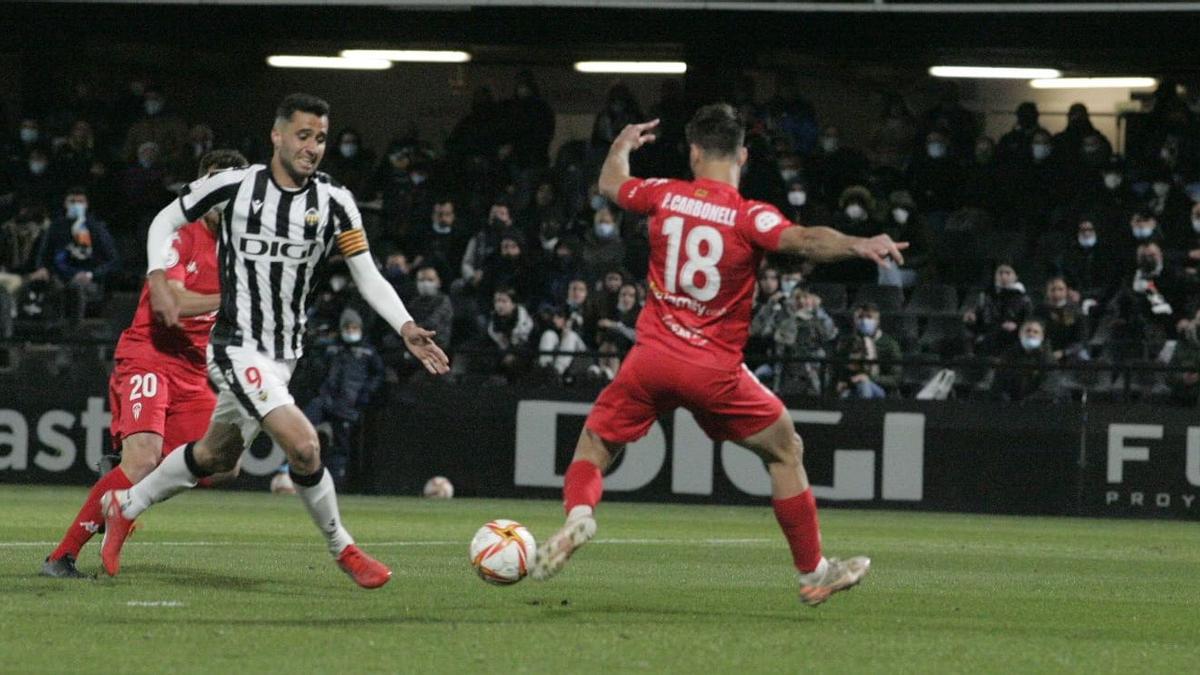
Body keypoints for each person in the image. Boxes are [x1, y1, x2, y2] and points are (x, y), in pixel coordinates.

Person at [529, 104, 907, 606]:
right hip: (714, 370)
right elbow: (805, 240)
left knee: (594, 446)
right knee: (785, 450)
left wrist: (621, 145)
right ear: (743, 157)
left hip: (651, 360)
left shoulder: (664, 193)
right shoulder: (749, 215)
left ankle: (579, 518)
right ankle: (813, 572)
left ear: (693, 152)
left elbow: (611, 184)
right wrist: (860, 244)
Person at [97, 93, 450, 589]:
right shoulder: (235, 186)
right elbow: (165, 219)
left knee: (215, 456)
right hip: (235, 347)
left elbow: (366, 274)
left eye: (321, 138)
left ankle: (125, 505)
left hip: (284, 355)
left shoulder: (335, 202)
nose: (312, 148)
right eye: (303, 136)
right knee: (305, 447)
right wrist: (158, 277)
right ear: (277, 136)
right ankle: (343, 548)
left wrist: (406, 325)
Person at [39, 150, 248, 579]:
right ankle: (62, 557)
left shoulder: (241, 247)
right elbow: (171, 305)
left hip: (192, 368)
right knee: (143, 456)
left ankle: (128, 493)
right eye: (211, 182)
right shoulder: (178, 231)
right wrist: (231, 298)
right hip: (149, 355)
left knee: (226, 462)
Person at [302, 308, 385, 484]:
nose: (350, 331)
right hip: (326, 399)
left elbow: (377, 375)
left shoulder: (368, 352)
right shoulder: (331, 347)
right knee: (303, 428)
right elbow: (317, 370)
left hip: (349, 402)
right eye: (347, 327)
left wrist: (365, 394)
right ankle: (299, 471)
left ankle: (335, 480)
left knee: (341, 445)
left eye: (354, 327)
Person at [29, 187, 118, 321]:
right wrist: (42, 268)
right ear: (65, 204)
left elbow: (113, 260)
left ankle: (74, 332)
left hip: (88, 278)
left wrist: (91, 274)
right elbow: (43, 255)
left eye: (80, 201)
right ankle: (50, 331)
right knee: (50, 286)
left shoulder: (96, 228)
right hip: (59, 275)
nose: (76, 205)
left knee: (75, 288)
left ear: (86, 204)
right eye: (72, 201)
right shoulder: (56, 227)